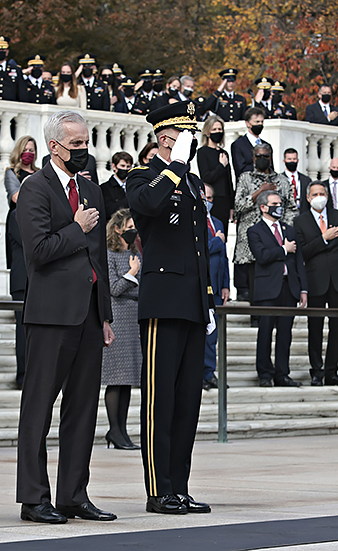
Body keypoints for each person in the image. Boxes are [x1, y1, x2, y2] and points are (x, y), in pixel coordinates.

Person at [15, 110, 116, 524]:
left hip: (90, 314)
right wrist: (75, 227)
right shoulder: (34, 188)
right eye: (76, 145)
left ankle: (73, 494)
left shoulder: (90, 189)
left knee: (83, 408)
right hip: (52, 315)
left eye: (86, 144)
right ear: (54, 146)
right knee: (38, 407)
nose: (84, 152)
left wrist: (106, 313)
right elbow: (37, 252)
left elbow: (100, 257)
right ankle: (34, 498)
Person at [125, 101, 215, 515]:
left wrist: (208, 298)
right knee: (160, 400)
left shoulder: (193, 182)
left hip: (193, 301)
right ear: (165, 137)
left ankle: (179, 485)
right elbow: (150, 207)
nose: (194, 142)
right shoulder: (143, 176)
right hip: (163, 301)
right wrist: (175, 167)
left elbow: (198, 245)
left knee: (186, 402)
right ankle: (158, 489)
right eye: (186, 135)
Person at [295, 183, 338, 386]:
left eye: (322, 193)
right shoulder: (300, 221)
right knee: (315, 327)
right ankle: (316, 370)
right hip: (315, 281)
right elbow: (302, 253)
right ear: (308, 198)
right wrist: (323, 238)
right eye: (315, 194)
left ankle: (332, 371)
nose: (319, 197)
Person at [248, 190, 307, 387]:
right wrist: (283, 249)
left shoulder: (289, 230)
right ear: (263, 207)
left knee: (285, 334)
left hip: (288, 288)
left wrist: (303, 289)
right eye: (275, 203)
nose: (279, 207)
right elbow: (262, 255)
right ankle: (264, 373)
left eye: (280, 203)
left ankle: (282, 374)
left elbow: (298, 261)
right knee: (265, 332)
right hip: (267, 289)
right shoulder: (254, 230)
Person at [233, 143, 294, 305]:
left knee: (276, 276)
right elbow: (238, 206)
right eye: (258, 156)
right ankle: (257, 317)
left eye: (265, 156)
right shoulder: (245, 178)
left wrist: (286, 231)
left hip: (276, 237)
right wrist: (259, 192)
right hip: (251, 239)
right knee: (255, 281)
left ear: (271, 158)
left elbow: (291, 208)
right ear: (253, 158)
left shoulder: (282, 180)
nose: (262, 159)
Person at [101, 209, 142, 450]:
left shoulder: (135, 253)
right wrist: (132, 273)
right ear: (117, 229)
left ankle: (122, 431)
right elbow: (114, 288)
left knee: (127, 379)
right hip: (116, 318)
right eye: (129, 226)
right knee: (115, 379)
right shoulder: (108, 254)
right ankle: (114, 430)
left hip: (133, 317)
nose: (133, 230)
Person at [4, 136, 38, 388]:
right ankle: (23, 374)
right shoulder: (16, 216)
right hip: (22, 279)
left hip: (39, 279)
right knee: (22, 330)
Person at [203, 183, 231, 390]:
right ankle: (199, 374)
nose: (208, 202)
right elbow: (200, 250)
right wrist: (216, 241)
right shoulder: (191, 221)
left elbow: (223, 256)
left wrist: (226, 285)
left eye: (211, 198)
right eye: (205, 197)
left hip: (216, 287)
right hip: (199, 287)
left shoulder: (218, 222)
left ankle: (209, 373)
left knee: (212, 335)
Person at [196, 115, 233, 236]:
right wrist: (221, 166)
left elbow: (229, 181)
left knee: (223, 236)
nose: (218, 132)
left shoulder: (224, 153)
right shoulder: (202, 152)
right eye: (215, 129)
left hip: (225, 202)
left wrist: (232, 206)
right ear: (207, 132)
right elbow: (206, 177)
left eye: (220, 129)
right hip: (211, 200)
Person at [231, 107, 269, 179]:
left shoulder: (266, 145)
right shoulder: (238, 145)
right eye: (257, 122)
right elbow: (240, 170)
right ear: (248, 123)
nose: (260, 124)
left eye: (262, 122)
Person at [101, 151, 132, 221]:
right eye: (122, 166)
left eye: (128, 166)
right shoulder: (105, 188)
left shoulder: (132, 186)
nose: (125, 169)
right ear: (114, 166)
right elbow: (109, 210)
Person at [279, 148, 310, 213]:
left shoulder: (306, 180)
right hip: (286, 215)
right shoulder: (279, 179)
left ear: (297, 160)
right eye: (289, 159)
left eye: (294, 159)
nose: (292, 161)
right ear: (284, 161)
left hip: (303, 215)